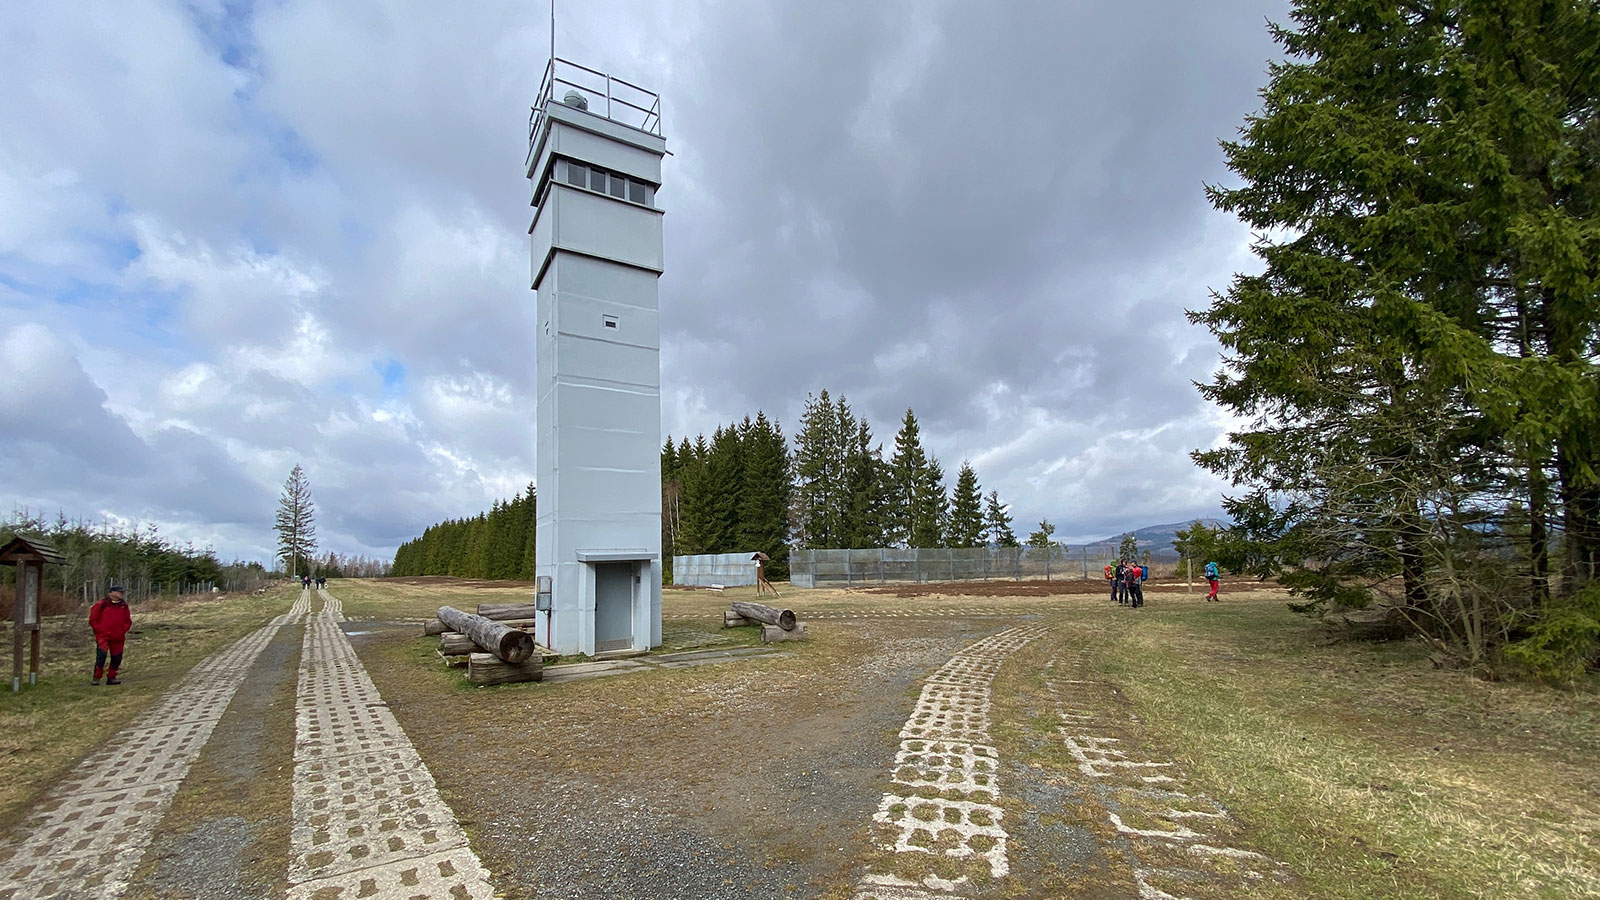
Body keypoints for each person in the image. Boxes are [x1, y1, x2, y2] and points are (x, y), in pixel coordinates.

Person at [89, 585, 133, 686]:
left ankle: (112, 677)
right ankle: (96, 677)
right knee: (101, 656)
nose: (122, 594)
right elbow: (93, 620)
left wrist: (122, 630)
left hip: (118, 636)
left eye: (122, 592)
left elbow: (128, 621)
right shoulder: (101, 604)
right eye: (119, 592)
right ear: (111, 593)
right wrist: (100, 631)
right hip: (103, 636)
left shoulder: (124, 605)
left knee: (117, 658)